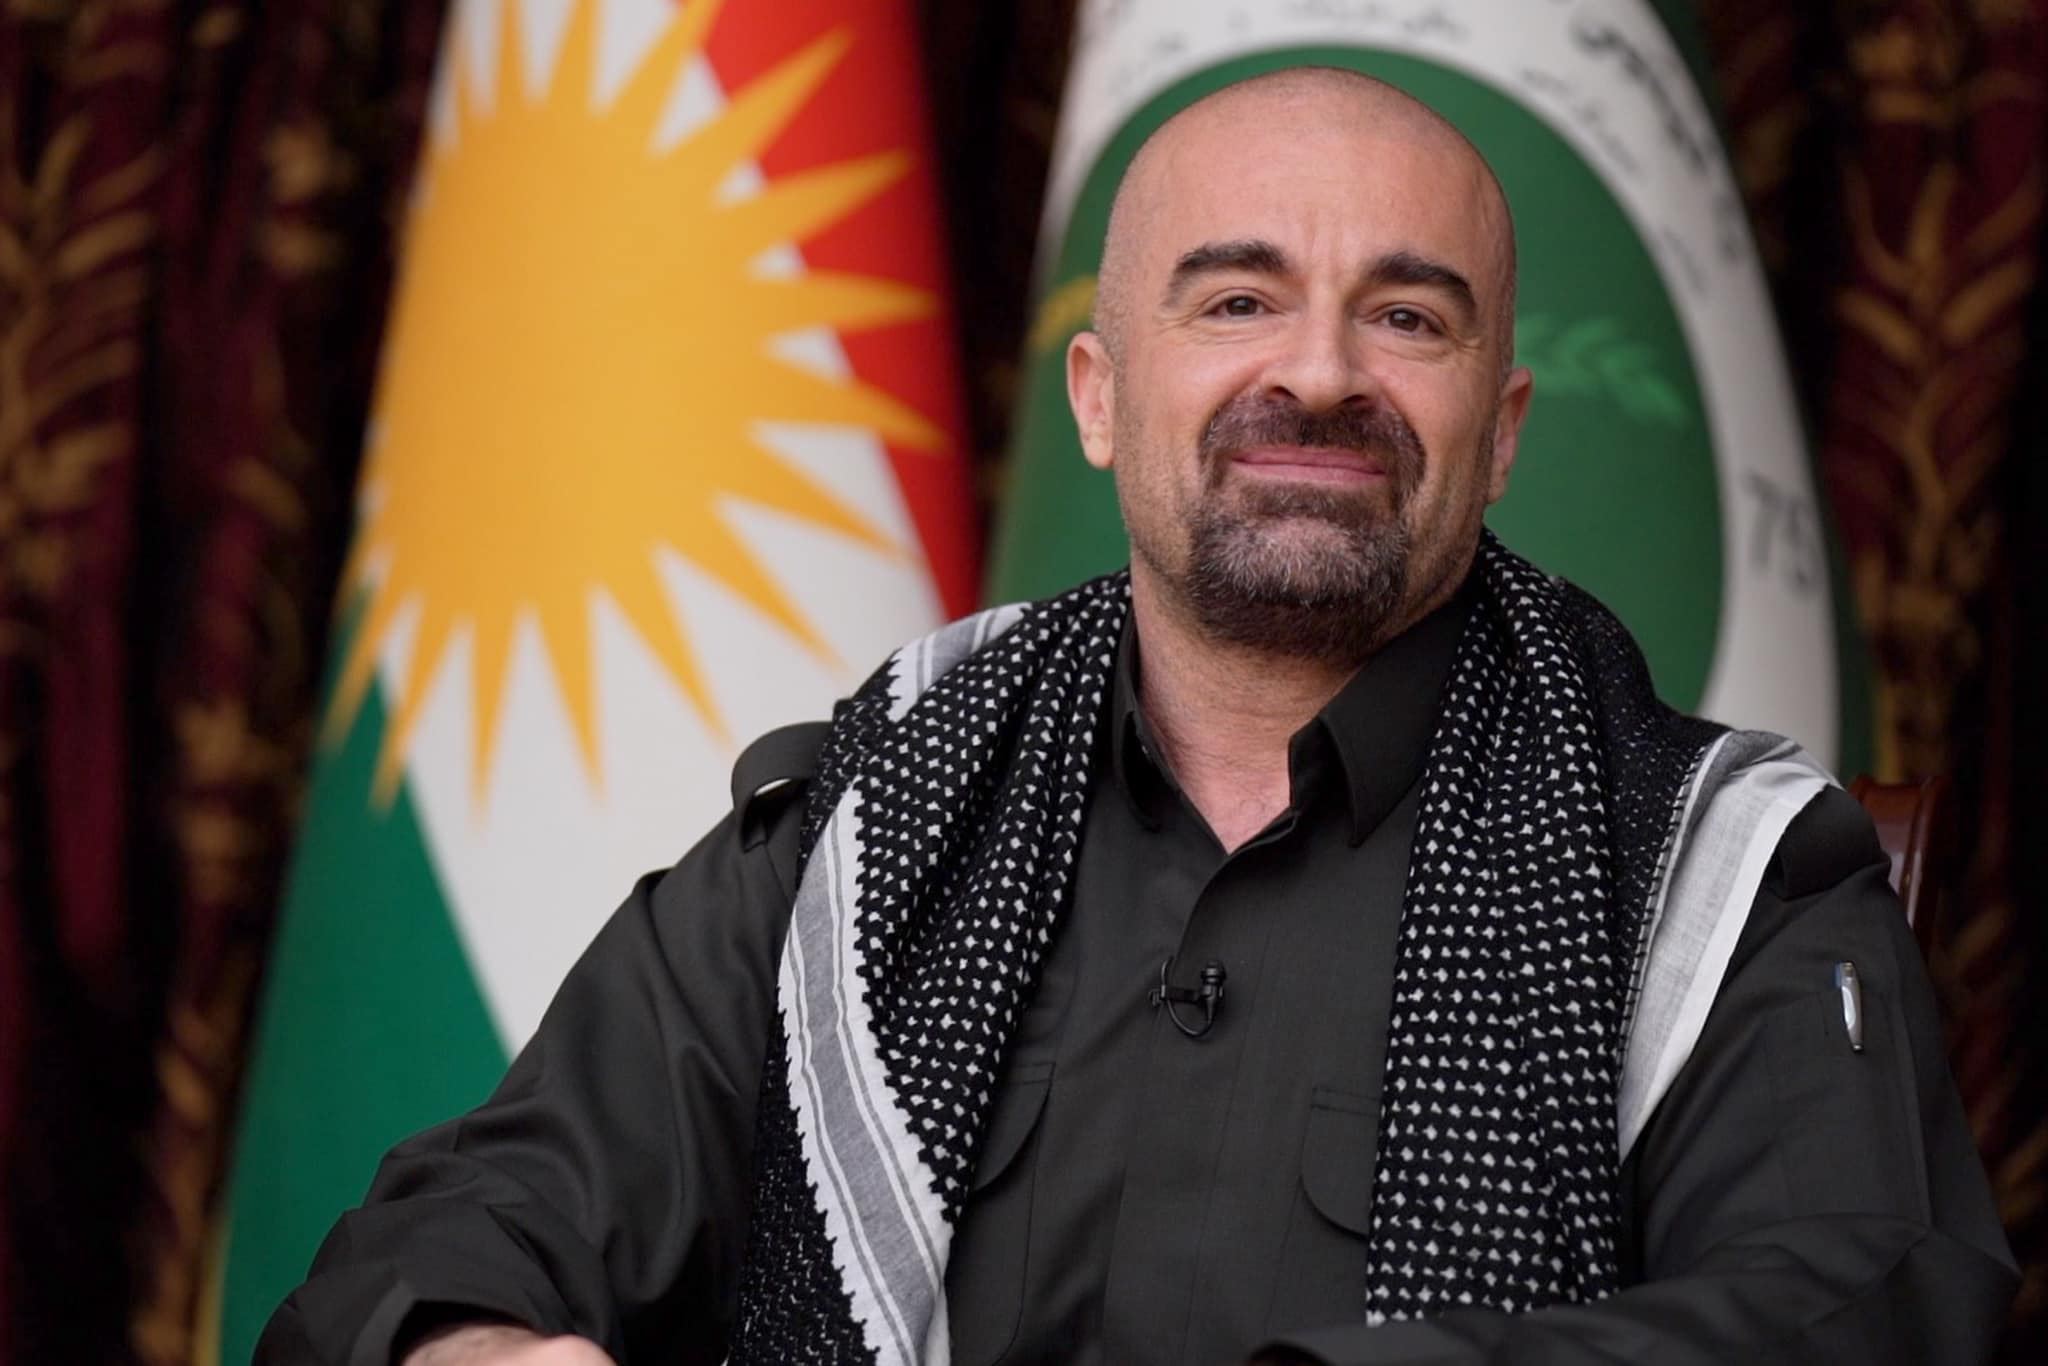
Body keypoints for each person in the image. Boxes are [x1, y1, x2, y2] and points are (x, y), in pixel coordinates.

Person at [260, 68, 2017, 1366]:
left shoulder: (1722, 874)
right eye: (1237, 298)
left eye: (1407, 315)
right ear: (1099, 398)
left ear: (1502, 432)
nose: (1317, 370)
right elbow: (458, 1223)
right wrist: (472, 1342)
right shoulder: (882, 808)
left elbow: (1866, 1310)